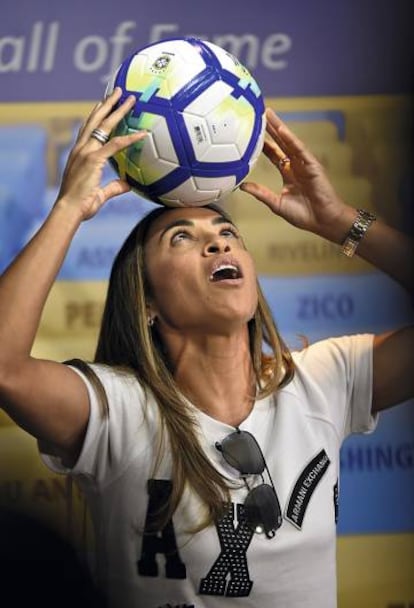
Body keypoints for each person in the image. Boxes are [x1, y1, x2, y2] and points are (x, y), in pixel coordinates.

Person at [0, 86, 413, 608]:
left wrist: (340, 221)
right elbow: (5, 369)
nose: (218, 243)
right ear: (146, 301)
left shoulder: (322, 381)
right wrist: (66, 210)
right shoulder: (118, 410)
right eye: (181, 238)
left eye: (226, 232)